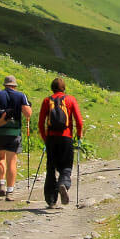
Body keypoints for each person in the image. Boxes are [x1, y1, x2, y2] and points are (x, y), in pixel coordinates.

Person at [37, 77, 84, 206]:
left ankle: (51, 200)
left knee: (51, 167)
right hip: (66, 138)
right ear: (64, 88)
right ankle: (63, 183)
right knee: (66, 166)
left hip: (52, 138)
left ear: (52, 87)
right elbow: (79, 121)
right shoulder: (70, 100)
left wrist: (45, 138)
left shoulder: (47, 100)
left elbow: (41, 123)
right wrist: (79, 135)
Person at [0, 75, 31, 201]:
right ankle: (10, 191)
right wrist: (26, 106)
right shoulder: (21, 96)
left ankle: (1, 184)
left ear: (5, 85)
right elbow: (28, 114)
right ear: (14, 86)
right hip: (14, 132)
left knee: (0, 158)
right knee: (12, 162)